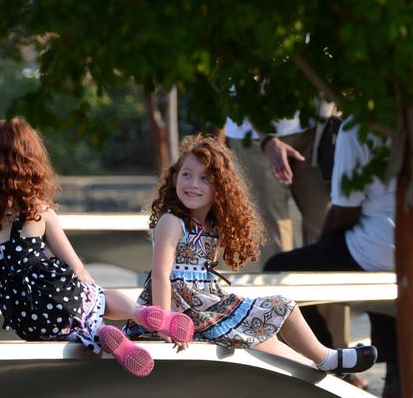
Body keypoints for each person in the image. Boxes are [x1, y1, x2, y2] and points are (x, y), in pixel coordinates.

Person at [0, 118, 193, 377]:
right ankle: (138, 313)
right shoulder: (38, 209)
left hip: (25, 319)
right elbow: (74, 265)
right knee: (94, 297)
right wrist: (91, 290)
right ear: (30, 161)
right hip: (59, 295)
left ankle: (100, 334)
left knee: (59, 328)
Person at [124, 134, 377, 374]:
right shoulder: (172, 221)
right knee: (260, 338)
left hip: (208, 303)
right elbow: (160, 275)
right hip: (180, 310)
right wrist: (164, 321)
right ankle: (323, 362)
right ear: (175, 177)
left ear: (220, 188)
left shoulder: (212, 227)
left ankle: (321, 361)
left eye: (204, 179)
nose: (192, 184)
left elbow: (207, 278)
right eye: (186, 175)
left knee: (283, 307)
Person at [263, 121, 413, 398]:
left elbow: (346, 210)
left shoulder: (357, 126)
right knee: (375, 264)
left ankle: (329, 366)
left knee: (280, 270)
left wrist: (324, 244)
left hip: (386, 246)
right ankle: (396, 373)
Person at [224, 104, 336, 268]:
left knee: (322, 222)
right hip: (255, 135)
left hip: (311, 130)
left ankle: (322, 290)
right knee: (275, 233)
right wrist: (267, 140)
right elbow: (238, 91)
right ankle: (279, 292)